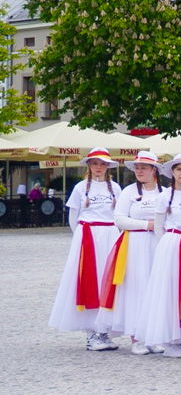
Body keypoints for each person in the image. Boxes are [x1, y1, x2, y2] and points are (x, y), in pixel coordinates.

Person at [48, 148, 122, 350]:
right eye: (95, 163)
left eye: (103, 164)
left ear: (108, 167)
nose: (99, 168)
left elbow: (120, 214)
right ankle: (90, 332)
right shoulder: (81, 188)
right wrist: (80, 238)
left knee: (107, 281)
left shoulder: (115, 188)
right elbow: (73, 216)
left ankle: (104, 330)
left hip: (110, 234)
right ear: (89, 165)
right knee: (89, 279)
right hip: (88, 236)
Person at [95, 150, 162, 354]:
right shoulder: (129, 192)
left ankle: (154, 334)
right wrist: (146, 225)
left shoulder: (164, 192)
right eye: (137, 168)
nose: (140, 171)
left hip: (159, 244)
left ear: (154, 170)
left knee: (156, 287)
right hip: (135, 245)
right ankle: (136, 337)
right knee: (137, 287)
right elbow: (119, 219)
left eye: (144, 167)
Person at [142, 153, 181, 357]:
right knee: (172, 290)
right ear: (172, 172)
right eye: (179, 170)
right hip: (173, 244)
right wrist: (166, 248)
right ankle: (170, 339)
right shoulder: (164, 197)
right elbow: (158, 226)